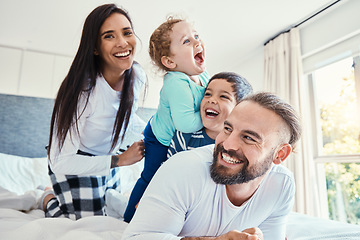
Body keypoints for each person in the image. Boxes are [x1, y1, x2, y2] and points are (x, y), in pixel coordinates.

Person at [122, 92, 302, 240]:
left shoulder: (281, 184)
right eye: (228, 129)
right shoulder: (185, 168)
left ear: (280, 154)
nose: (228, 144)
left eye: (248, 138)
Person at [41, 4, 147, 220]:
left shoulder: (137, 75)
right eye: (109, 36)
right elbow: (60, 160)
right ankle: (45, 196)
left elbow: (122, 116)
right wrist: (120, 160)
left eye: (127, 32)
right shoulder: (83, 92)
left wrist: (155, 134)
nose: (122, 43)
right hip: (76, 162)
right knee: (79, 225)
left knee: (116, 212)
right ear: (95, 48)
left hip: (108, 159)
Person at [124, 17, 209, 222]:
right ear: (170, 62)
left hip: (176, 139)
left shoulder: (204, 77)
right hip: (159, 139)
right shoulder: (176, 83)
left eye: (196, 36)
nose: (197, 42)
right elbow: (186, 123)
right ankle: (130, 217)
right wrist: (209, 118)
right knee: (152, 177)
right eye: (186, 41)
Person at [167, 72, 253, 159]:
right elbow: (169, 168)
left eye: (223, 96)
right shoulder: (185, 136)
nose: (211, 100)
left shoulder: (239, 145)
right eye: (208, 94)